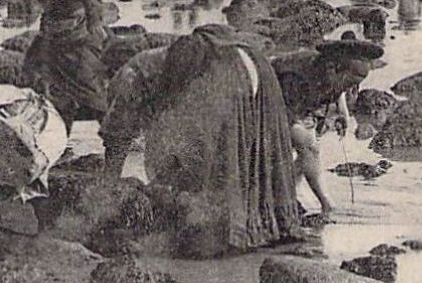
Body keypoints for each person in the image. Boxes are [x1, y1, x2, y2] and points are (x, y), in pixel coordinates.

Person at [99, 23, 302, 258]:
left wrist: (108, 192)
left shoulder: (128, 77)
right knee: (253, 150)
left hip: (222, 71)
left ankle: (226, 235)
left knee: (220, 160)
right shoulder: (154, 64)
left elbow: (118, 139)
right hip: (255, 62)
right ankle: (269, 228)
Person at [273, 39, 379, 219]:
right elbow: (291, 115)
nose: (350, 89)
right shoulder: (298, 75)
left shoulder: (335, 72)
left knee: (309, 150)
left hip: (303, 103)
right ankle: (326, 203)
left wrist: (343, 112)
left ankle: (290, 189)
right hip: (276, 100)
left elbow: (339, 89)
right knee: (310, 148)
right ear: (334, 68)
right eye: (348, 83)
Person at [19, 0, 109, 123]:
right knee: (36, 78)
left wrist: (95, 22)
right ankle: (56, 129)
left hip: (75, 38)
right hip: (51, 38)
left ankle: (114, 132)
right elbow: (45, 1)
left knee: (89, 87)